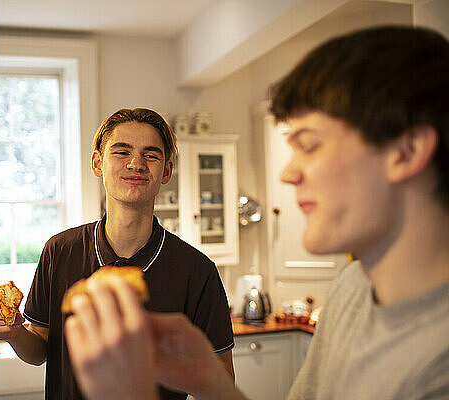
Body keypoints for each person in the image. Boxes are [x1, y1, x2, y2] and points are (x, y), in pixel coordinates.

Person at [63, 25, 449, 400]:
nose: (288, 172)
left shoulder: (438, 364)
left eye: (310, 144)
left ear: (407, 151)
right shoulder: (353, 289)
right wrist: (211, 385)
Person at [0, 108, 235, 400]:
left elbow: (224, 381)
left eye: (151, 155)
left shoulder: (197, 271)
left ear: (166, 171)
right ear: (97, 163)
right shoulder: (59, 250)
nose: (136, 164)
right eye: (121, 152)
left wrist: (172, 362)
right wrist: (14, 334)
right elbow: (39, 350)